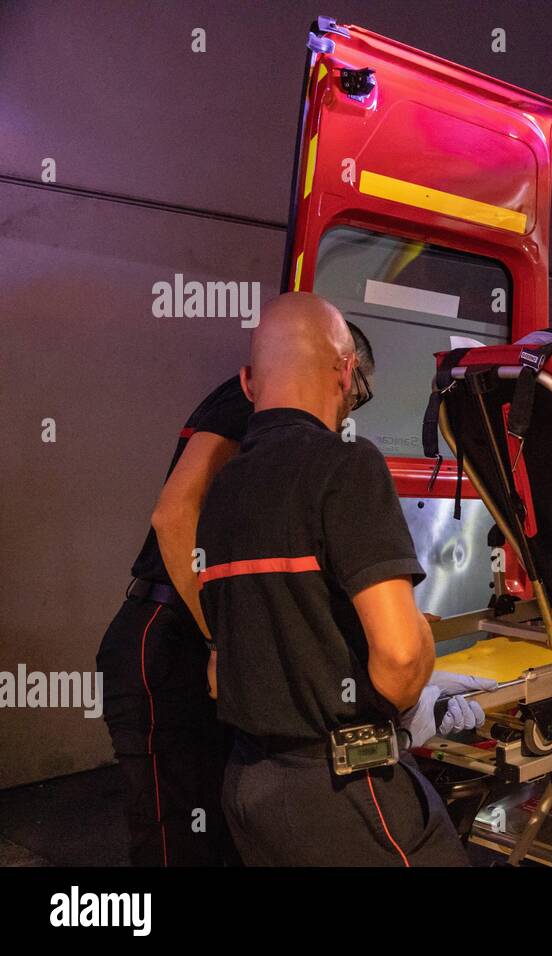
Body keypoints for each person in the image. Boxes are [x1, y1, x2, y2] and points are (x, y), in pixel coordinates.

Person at [195, 292, 489, 866]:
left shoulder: (224, 487)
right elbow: (402, 659)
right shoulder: (346, 466)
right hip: (345, 794)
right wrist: (421, 685)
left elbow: (222, 665)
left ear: (249, 383)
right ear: (346, 368)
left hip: (249, 789)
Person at [94, 320, 374, 866]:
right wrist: (221, 638)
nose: (349, 409)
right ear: (341, 368)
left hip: (190, 641)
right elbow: (174, 516)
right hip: (166, 639)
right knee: (176, 845)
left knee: (223, 833)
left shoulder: (283, 438)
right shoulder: (257, 401)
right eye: (357, 390)